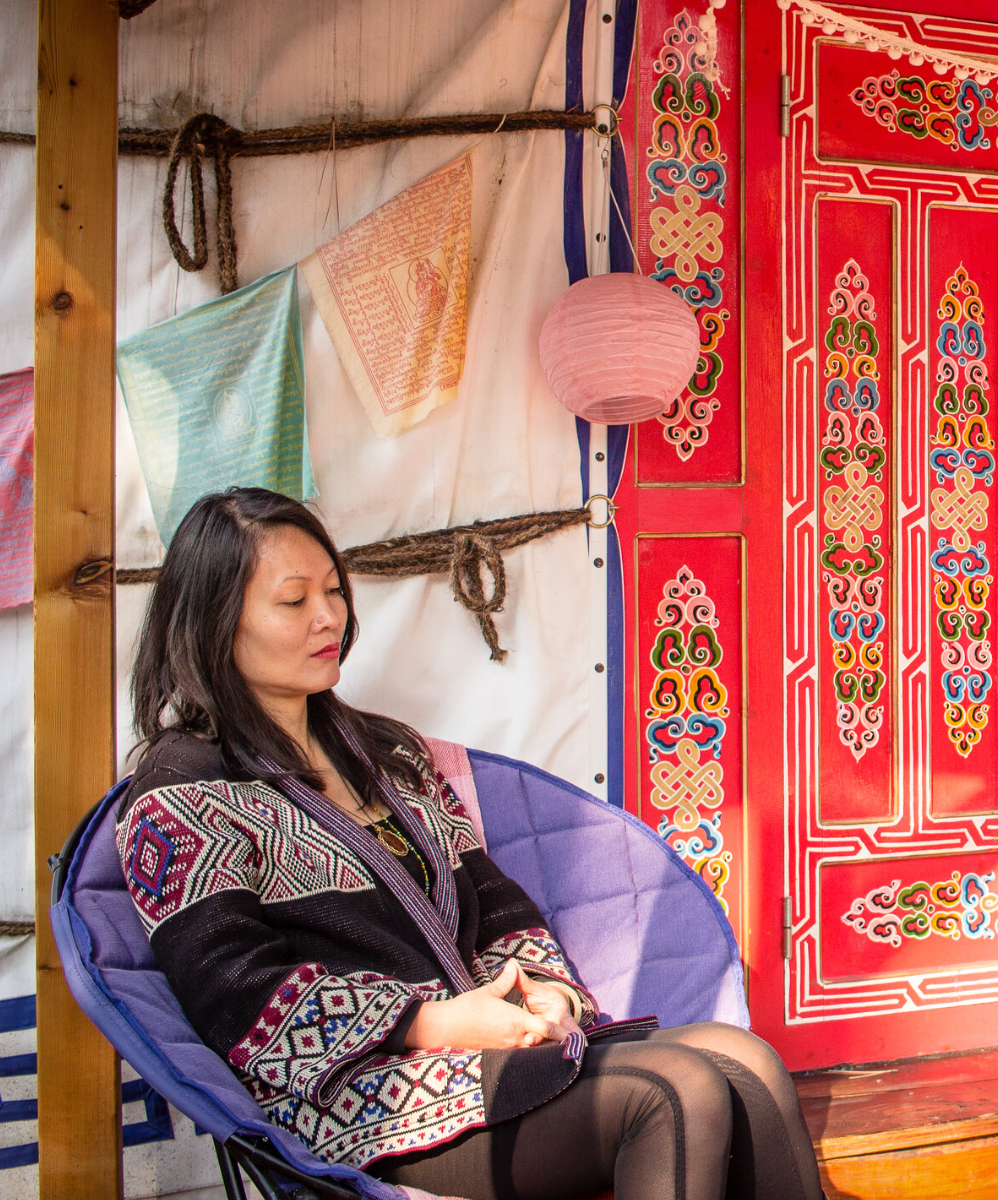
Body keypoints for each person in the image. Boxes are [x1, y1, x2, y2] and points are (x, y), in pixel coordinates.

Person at [118, 488, 823, 1200]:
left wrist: (549, 997)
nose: (329, 617)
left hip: (483, 1055)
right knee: (677, 1092)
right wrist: (435, 1023)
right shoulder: (181, 795)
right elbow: (234, 999)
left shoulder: (384, 754)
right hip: (356, 1101)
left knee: (746, 1065)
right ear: (214, 620)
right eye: (293, 601)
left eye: (333, 590)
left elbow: (496, 906)